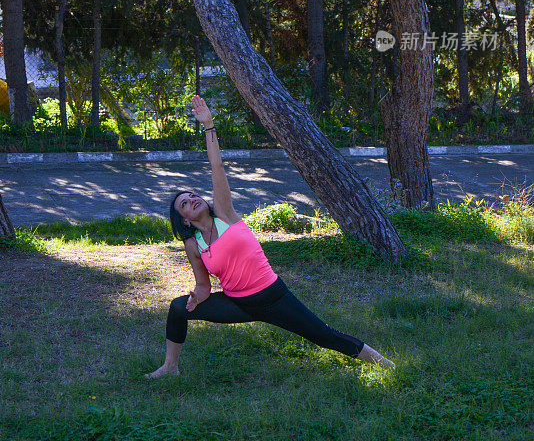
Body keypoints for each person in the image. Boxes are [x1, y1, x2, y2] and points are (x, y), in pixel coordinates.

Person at [145, 95, 395, 378]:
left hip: (272, 296)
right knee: (177, 307)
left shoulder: (225, 215)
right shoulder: (194, 245)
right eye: (185, 204)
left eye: (192, 196)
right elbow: (203, 285)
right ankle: (170, 367)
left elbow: (217, 169)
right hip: (237, 302)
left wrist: (209, 126)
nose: (193, 200)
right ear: (185, 219)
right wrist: (195, 298)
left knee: (321, 334)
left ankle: (385, 364)